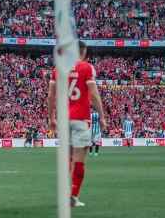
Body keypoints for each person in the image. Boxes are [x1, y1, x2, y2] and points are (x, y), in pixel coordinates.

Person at [47, 41, 106, 208]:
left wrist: (51, 118)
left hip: (64, 119)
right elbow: (94, 95)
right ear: (84, 51)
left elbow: (51, 96)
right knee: (79, 160)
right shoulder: (87, 68)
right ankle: (73, 196)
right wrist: (101, 116)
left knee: (67, 159)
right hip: (81, 119)